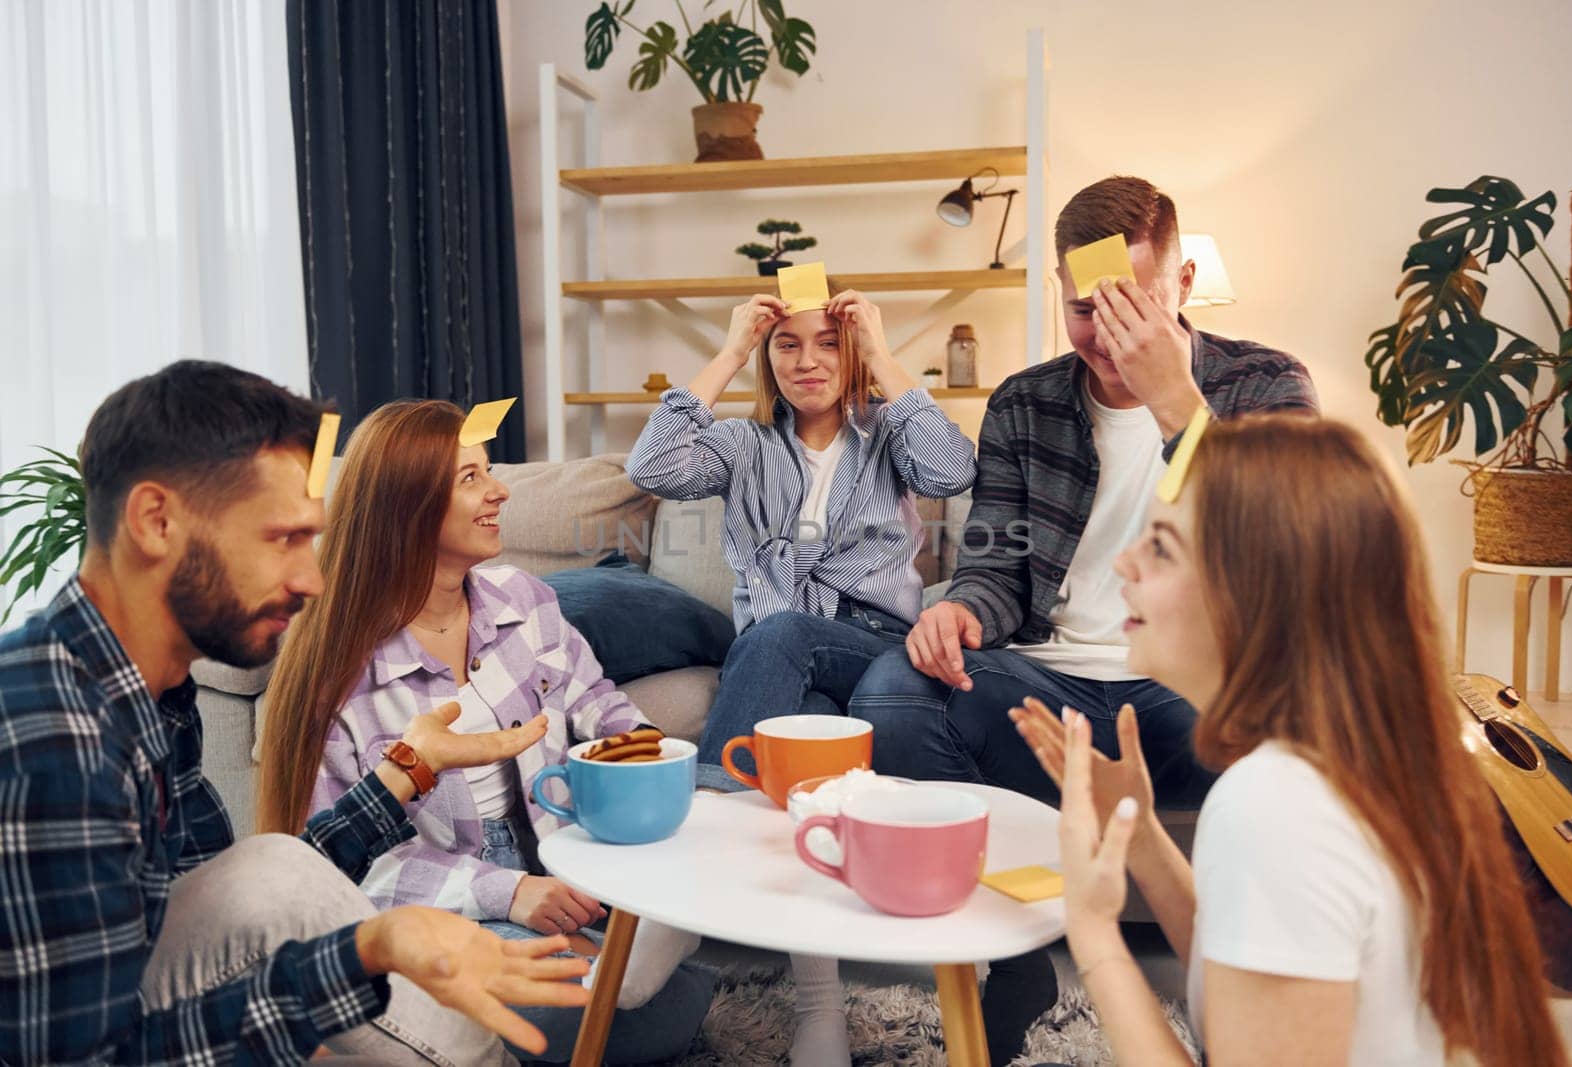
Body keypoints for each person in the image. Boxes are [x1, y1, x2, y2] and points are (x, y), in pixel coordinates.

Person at [846, 176, 1319, 1062]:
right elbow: (994, 569)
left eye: (1128, 303)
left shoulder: (1267, 385)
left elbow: (1279, 561)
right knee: (892, 690)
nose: (1106, 336)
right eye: (1081, 308)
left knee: (1280, 738)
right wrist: (957, 611)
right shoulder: (1026, 404)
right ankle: (1014, 941)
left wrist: (1177, 400)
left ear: (1181, 283)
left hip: (1192, 687)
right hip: (1051, 675)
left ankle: (1253, 989)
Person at [0, 361, 589, 1066]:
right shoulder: (53, 738)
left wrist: (408, 769)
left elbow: (258, 901)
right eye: (282, 538)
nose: (312, 579)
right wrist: (360, 955)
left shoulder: (151, 692)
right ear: (156, 521)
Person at [1012, 414, 1572, 1066]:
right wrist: (1141, 837)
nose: (1122, 563)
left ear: (1257, 591)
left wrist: (1092, 931)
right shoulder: (1361, 758)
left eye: (1161, 547)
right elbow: (1254, 988)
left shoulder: (1277, 803)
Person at [256, 399, 714, 1065]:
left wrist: (653, 765)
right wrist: (510, 891)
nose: (499, 490)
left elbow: (600, 705)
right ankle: (642, 983)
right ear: (406, 506)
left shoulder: (523, 602)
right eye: (470, 478)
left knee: (600, 983)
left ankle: (633, 972)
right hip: (441, 907)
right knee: (567, 1006)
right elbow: (339, 868)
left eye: (488, 471)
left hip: (564, 860)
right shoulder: (340, 670)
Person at [626, 283, 975, 1066]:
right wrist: (729, 349)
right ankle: (821, 1006)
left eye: (828, 343)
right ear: (769, 356)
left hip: (877, 646)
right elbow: (650, 465)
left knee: (782, 635)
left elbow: (954, 472)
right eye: (788, 345)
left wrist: (881, 353)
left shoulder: (888, 436)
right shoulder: (744, 447)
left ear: (850, 352)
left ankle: (692, 869)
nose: (808, 360)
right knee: (802, 729)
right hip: (784, 661)